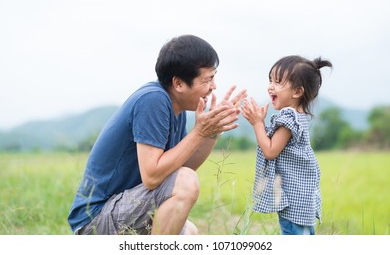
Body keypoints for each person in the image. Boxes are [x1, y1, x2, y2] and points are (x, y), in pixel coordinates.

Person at [67, 34, 247, 235]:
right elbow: (153, 177)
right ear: (178, 84)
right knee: (186, 183)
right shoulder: (153, 100)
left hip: (125, 209)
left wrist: (212, 131)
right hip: (95, 220)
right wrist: (198, 132)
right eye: (208, 79)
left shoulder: (176, 108)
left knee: (190, 233)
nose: (213, 86)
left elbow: (180, 169)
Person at [241, 55, 333, 235]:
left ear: (297, 92)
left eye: (278, 81)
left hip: (294, 198)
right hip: (301, 197)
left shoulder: (289, 118)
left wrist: (257, 123)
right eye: (270, 80)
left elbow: (270, 151)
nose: (270, 86)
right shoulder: (299, 116)